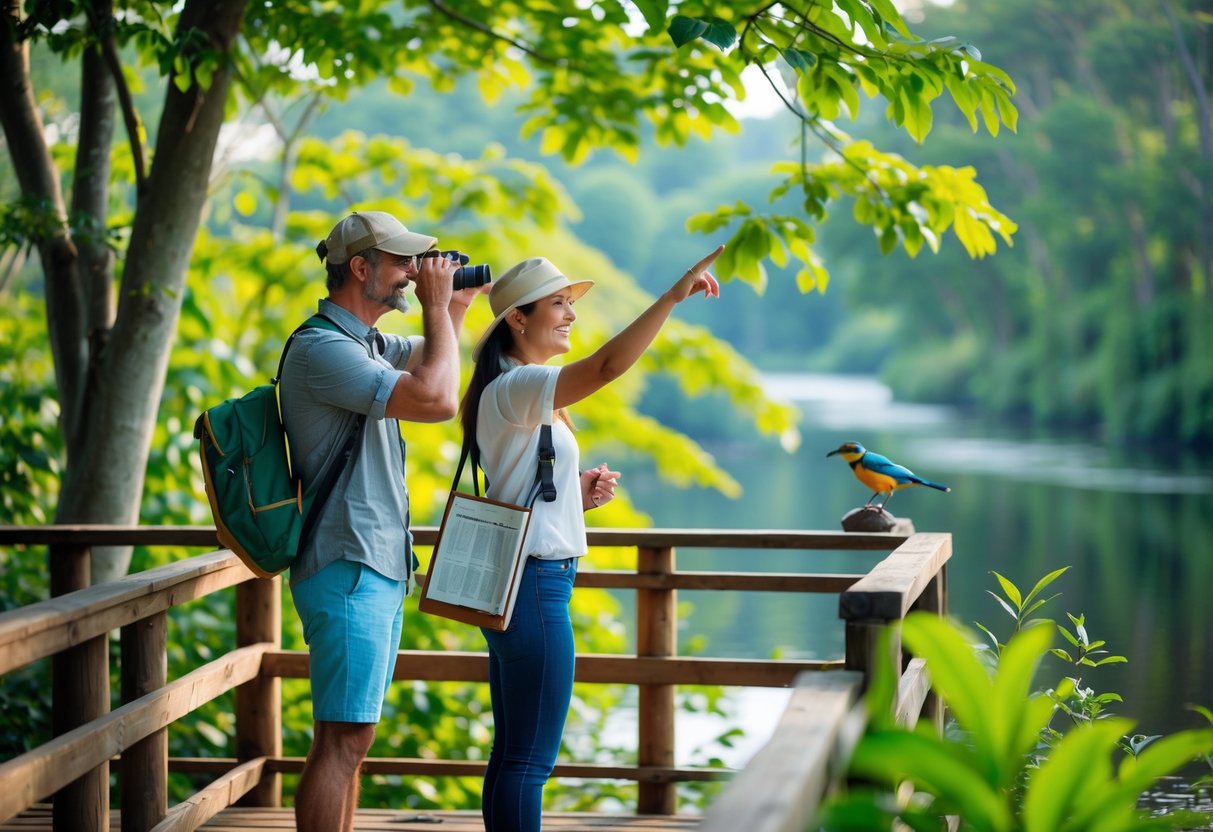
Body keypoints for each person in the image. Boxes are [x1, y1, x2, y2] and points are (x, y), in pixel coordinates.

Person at [459, 245, 724, 831]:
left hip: (521, 582)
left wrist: (572, 493)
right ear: (517, 320)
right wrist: (672, 297)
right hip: (534, 588)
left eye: (569, 302)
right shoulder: (523, 384)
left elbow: (516, 485)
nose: (571, 313)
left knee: (513, 757)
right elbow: (607, 368)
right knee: (529, 762)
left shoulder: (508, 386)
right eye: (558, 303)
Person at [280, 210, 484, 832]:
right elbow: (437, 399)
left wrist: (456, 303)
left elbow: (439, 357)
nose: (410, 275)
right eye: (400, 263)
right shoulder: (323, 349)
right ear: (360, 268)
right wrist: (437, 303)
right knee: (345, 740)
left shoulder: (366, 344)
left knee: (348, 738)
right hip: (347, 565)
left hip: (373, 565)